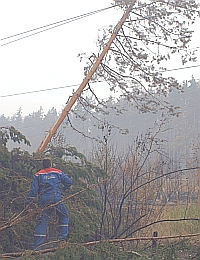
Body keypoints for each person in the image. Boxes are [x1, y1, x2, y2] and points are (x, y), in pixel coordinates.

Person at [26, 158, 72, 250]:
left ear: (43, 165)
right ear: (50, 164)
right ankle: (61, 240)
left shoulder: (38, 174)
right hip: (56, 199)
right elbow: (69, 182)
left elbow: (33, 192)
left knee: (42, 221)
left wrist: (29, 205)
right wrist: (63, 189)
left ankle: (37, 246)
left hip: (43, 201)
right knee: (63, 216)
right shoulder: (57, 172)